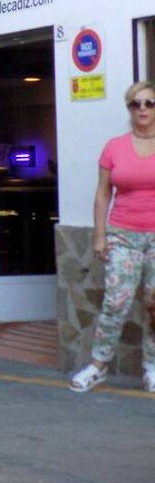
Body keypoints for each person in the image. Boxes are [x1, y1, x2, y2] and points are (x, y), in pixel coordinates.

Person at [69, 81, 155, 393]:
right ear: (129, 109)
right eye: (136, 104)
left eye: (149, 103)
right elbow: (103, 194)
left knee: (154, 304)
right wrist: (99, 236)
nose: (143, 109)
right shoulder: (114, 147)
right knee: (116, 301)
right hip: (123, 234)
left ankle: (152, 367)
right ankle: (98, 365)